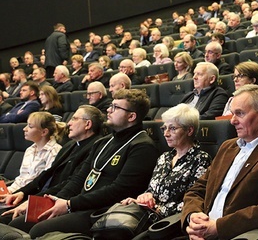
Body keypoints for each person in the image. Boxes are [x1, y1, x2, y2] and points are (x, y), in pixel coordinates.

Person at [7, 89, 159, 238]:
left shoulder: (142, 146)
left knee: (38, 230)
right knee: (17, 222)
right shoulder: (103, 142)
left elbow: (120, 190)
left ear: (131, 116)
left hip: (102, 211)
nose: (109, 110)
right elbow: (77, 180)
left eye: (116, 107)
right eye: (110, 105)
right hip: (81, 204)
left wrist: (69, 204)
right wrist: (50, 203)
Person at [182, 84, 258, 239]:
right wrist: (193, 216)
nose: (232, 121)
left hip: (235, 235)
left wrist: (218, 227)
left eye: (239, 114)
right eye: (232, 114)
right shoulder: (227, 146)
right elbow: (196, 190)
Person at [0, 106, 103, 224]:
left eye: (74, 119)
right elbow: (46, 174)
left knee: (9, 221)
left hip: (60, 201)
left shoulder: (95, 147)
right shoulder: (70, 145)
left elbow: (71, 183)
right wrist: (23, 192)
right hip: (47, 196)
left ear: (88, 124)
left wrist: (35, 201)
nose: (68, 123)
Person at [122, 104, 211, 235]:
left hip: (170, 224)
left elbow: (194, 200)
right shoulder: (164, 157)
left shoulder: (201, 159)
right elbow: (152, 190)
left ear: (189, 130)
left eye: (172, 128)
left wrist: (158, 209)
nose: (166, 133)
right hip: (148, 217)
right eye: (164, 128)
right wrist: (145, 197)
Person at [7, 112, 64, 194]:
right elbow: (21, 179)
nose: (24, 129)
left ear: (44, 132)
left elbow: (45, 184)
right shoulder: (29, 150)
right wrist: (8, 191)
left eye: (30, 126)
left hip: (30, 196)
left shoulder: (55, 152)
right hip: (16, 192)